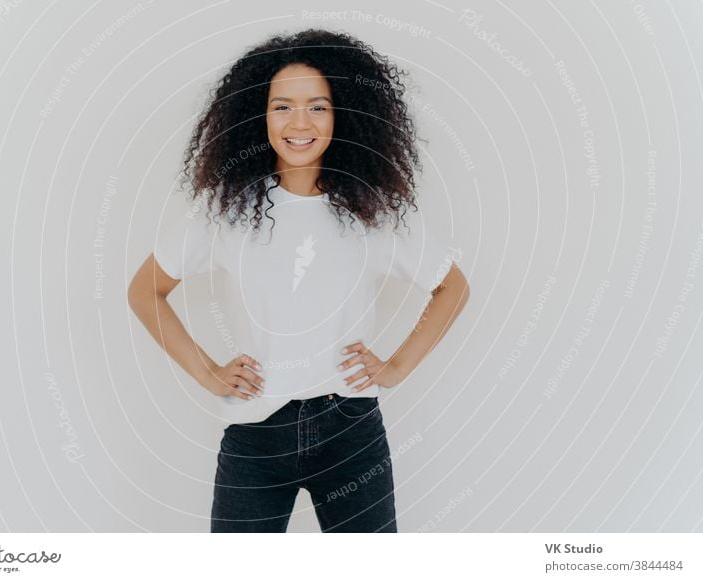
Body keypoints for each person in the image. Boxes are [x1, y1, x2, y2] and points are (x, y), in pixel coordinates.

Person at [128, 28, 470, 532]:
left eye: (318, 107)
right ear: (257, 115)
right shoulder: (226, 210)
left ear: (343, 115)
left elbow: (452, 287)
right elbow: (145, 291)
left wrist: (395, 366)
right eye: (282, 106)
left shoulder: (375, 211)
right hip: (255, 434)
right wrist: (207, 372)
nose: (299, 123)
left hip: (350, 430)